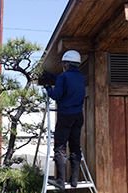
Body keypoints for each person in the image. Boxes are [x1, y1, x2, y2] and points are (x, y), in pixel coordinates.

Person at [42, 50, 85, 190]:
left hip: (65, 115)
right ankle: (73, 180)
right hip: (78, 116)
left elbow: (56, 95)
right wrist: (52, 77)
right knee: (74, 146)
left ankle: (60, 181)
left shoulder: (63, 77)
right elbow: (66, 80)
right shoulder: (80, 77)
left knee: (60, 147)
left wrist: (48, 88)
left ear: (66, 63)